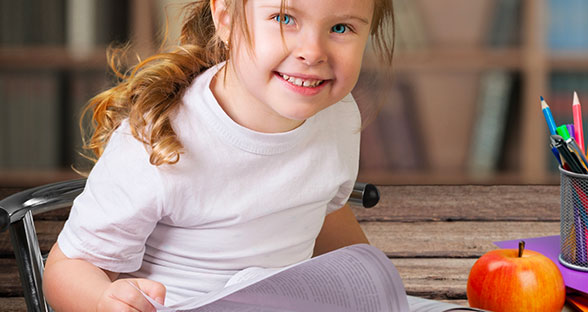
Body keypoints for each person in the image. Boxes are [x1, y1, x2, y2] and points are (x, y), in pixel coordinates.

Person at [42, 0, 394, 310]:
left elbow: (321, 209)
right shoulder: (160, 140)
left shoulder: (338, 115)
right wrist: (105, 302)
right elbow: (66, 269)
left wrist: (375, 291)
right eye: (284, 19)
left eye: (340, 27)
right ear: (225, 18)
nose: (313, 51)